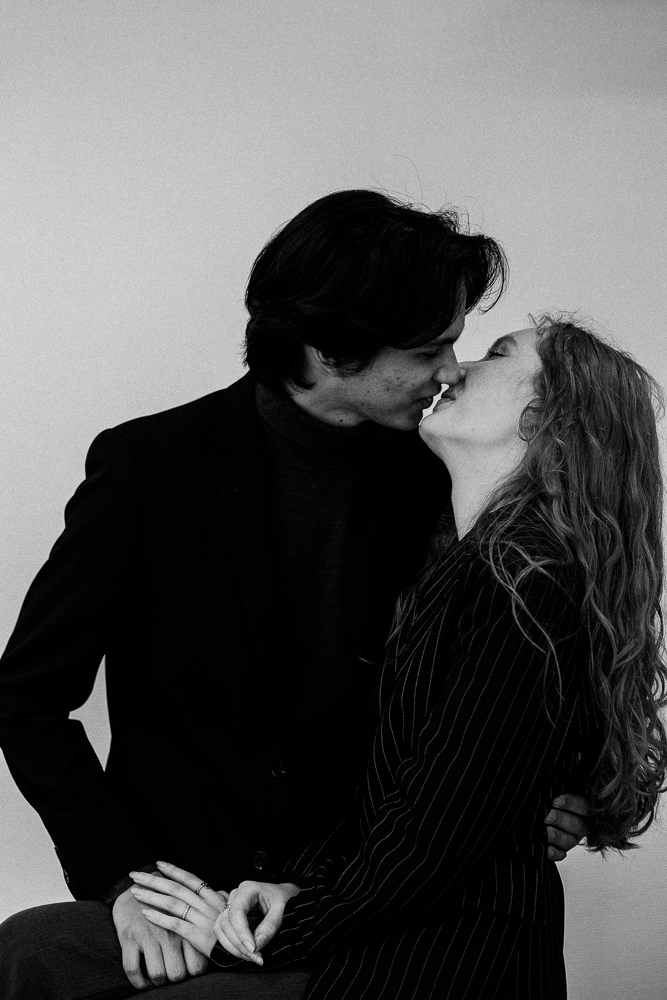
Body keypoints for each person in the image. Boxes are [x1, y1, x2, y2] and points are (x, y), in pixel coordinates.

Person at [0, 192, 587, 1000]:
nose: (451, 370)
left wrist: (563, 789)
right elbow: (26, 697)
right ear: (328, 349)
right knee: (26, 953)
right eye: (428, 349)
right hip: (182, 894)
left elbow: (523, 661)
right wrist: (123, 882)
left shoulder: (443, 470)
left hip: (361, 901)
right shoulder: (149, 467)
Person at [129, 317, 667, 999]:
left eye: (495, 355)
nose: (456, 369)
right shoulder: (467, 568)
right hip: (387, 942)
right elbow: (401, 797)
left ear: (545, 420)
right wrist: (292, 890)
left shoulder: (527, 583)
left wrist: (259, 935)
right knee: (41, 949)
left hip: (447, 963)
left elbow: (434, 837)